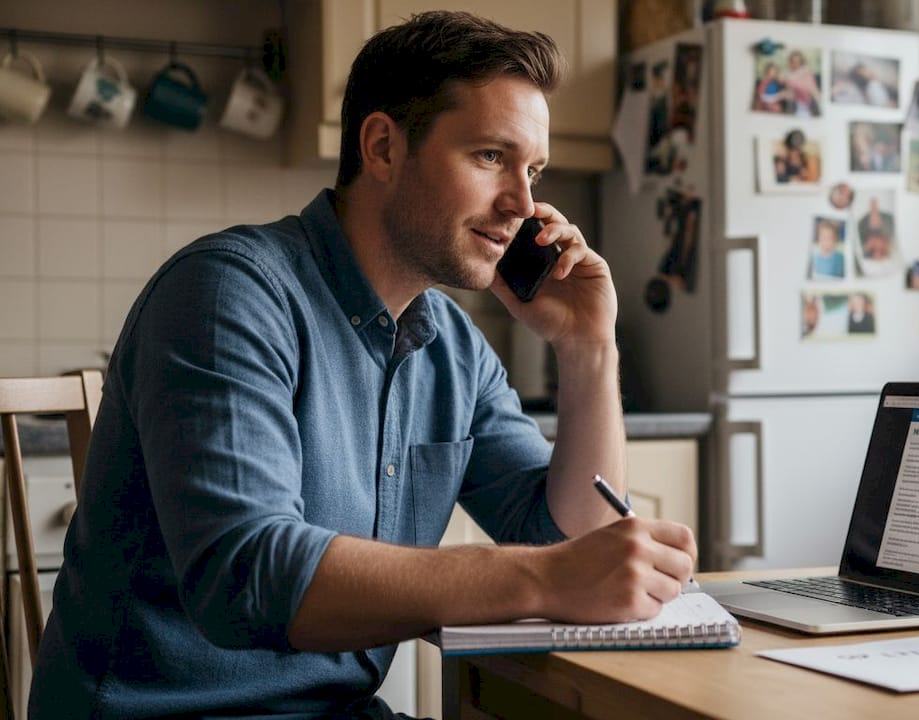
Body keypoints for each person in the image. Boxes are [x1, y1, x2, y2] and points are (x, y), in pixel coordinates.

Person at [30, 12, 697, 719]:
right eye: (490, 158)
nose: (523, 206)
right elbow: (248, 577)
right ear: (382, 146)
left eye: (533, 170)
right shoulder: (228, 292)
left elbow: (573, 546)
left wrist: (590, 348)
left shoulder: (452, 347)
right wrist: (545, 577)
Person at [783, 50, 821, 117]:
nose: (796, 64)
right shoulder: (788, 74)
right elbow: (789, 89)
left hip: (810, 103)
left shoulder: (807, 72)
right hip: (795, 103)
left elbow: (813, 89)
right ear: (790, 62)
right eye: (793, 62)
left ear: (802, 62)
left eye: (798, 62)